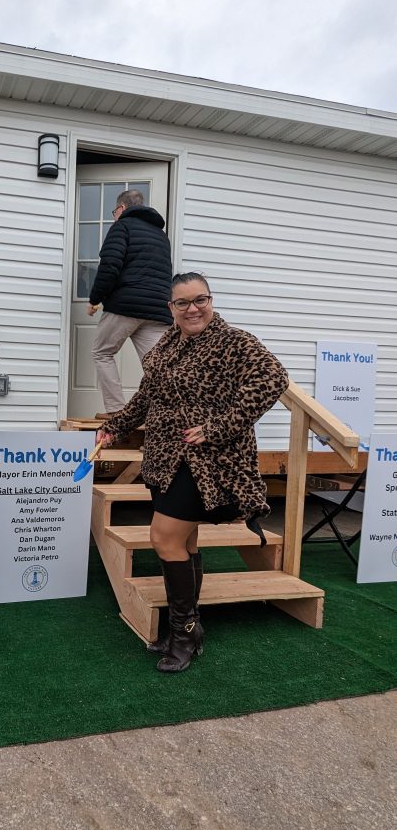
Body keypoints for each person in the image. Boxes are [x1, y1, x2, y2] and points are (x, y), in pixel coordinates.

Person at [96, 272, 288, 673]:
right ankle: (190, 628)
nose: (192, 309)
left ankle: (182, 632)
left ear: (211, 300)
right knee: (186, 542)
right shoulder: (167, 343)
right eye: (182, 303)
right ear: (171, 309)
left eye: (200, 299)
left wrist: (220, 426)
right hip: (163, 458)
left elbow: (273, 379)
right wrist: (116, 424)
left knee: (163, 537)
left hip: (205, 461)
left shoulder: (233, 341)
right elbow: (147, 396)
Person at [87, 189, 173, 417]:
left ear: (122, 209)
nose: (114, 216)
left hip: (125, 306)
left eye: (114, 211)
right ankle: (164, 415)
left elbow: (109, 266)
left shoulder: (122, 227)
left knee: (102, 352)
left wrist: (95, 299)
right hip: (158, 311)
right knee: (158, 367)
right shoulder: (161, 236)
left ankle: (116, 411)